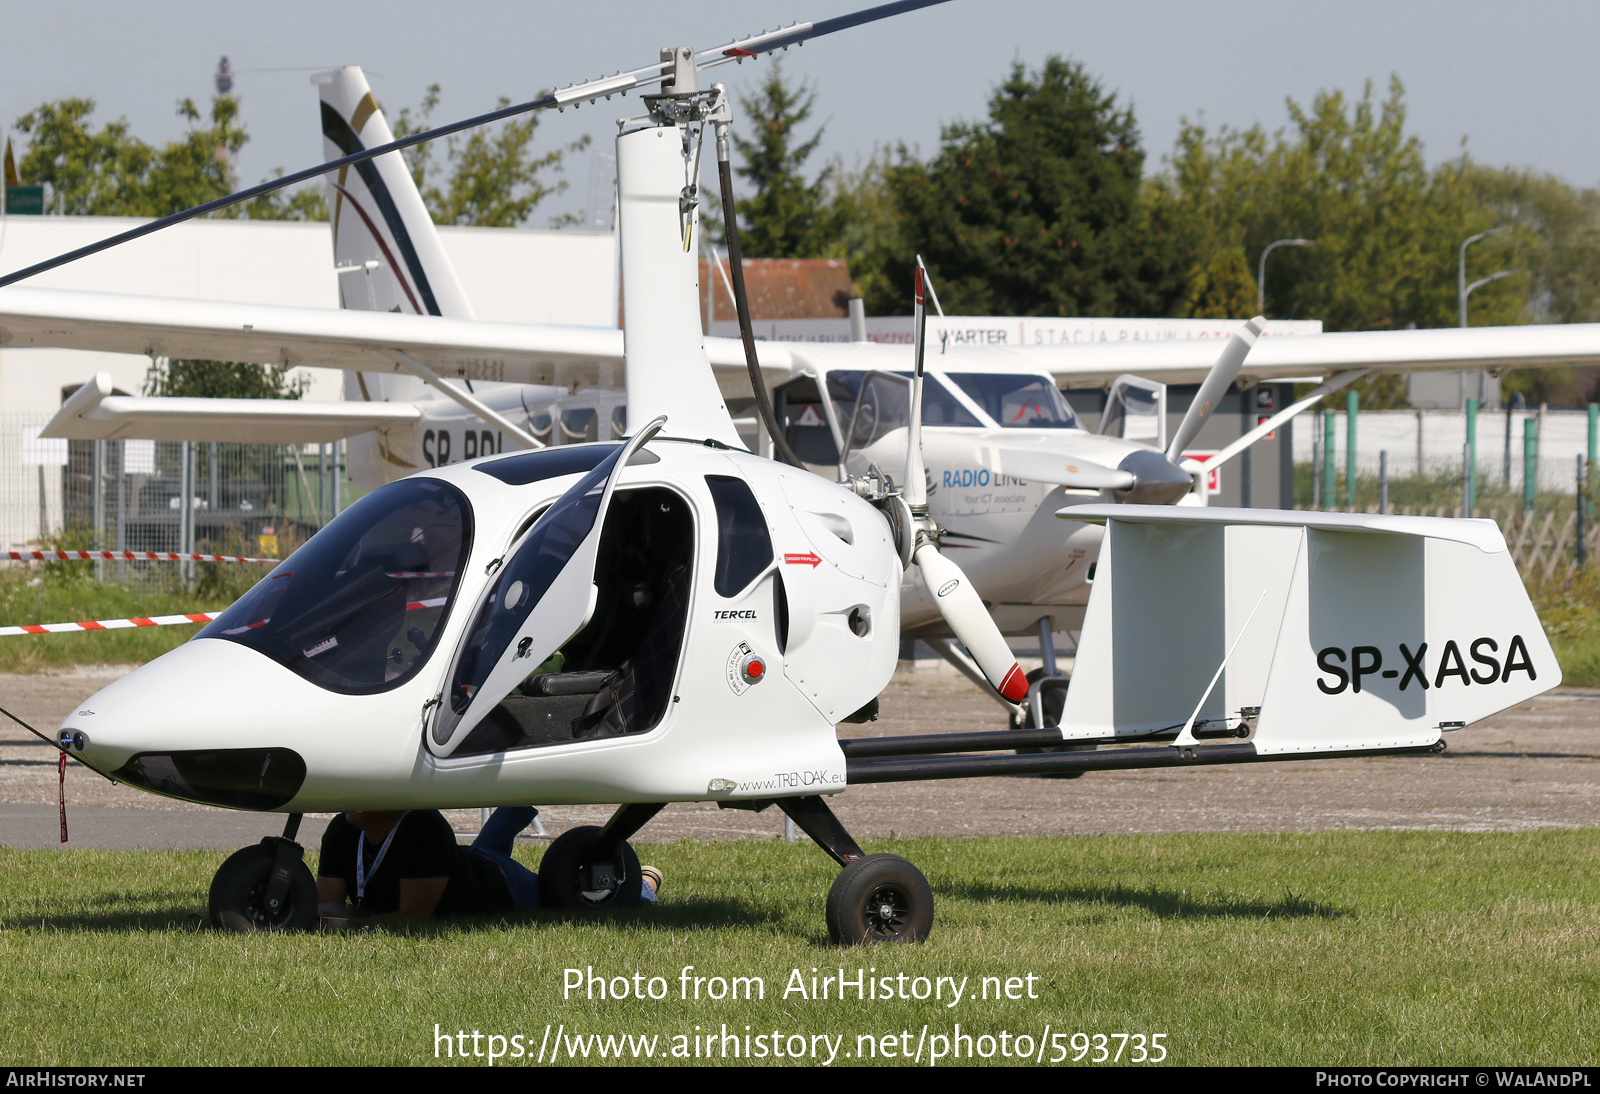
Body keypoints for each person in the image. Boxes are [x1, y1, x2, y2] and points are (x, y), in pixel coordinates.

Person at [316, 806, 660, 925]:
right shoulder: (342, 830)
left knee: (560, 897)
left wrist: (352, 923)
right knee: (483, 849)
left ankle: (643, 885)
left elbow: (413, 918)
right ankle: (516, 804)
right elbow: (325, 906)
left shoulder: (422, 827)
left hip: (499, 886)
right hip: (465, 862)